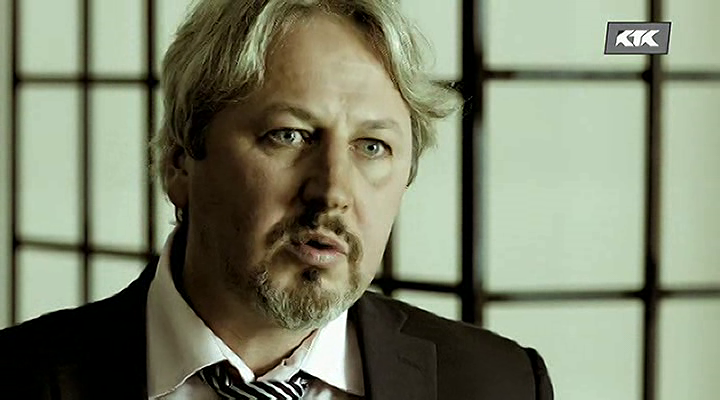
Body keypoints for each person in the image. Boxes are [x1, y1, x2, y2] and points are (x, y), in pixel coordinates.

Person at [0, 0, 553, 399]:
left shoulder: (499, 384)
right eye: (289, 135)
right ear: (179, 163)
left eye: (372, 146)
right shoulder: (18, 378)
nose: (332, 192)